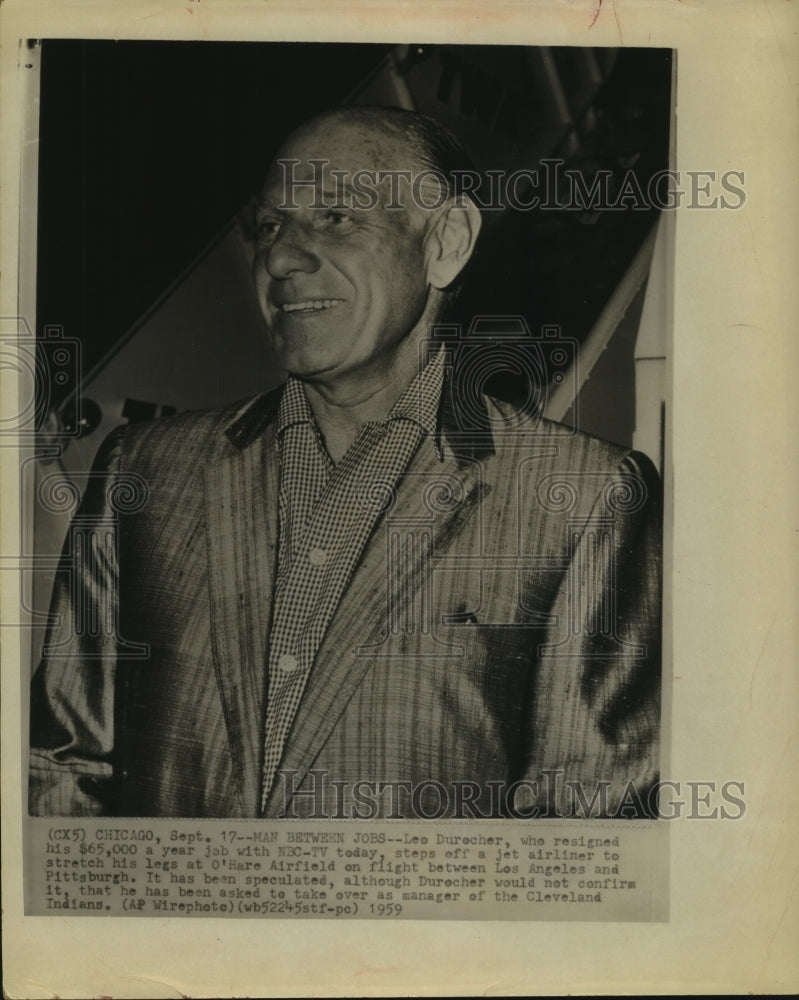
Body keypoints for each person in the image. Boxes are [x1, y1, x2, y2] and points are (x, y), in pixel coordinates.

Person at [29, 106, 661, 820]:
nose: (279, 259)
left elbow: (583, 826)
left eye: (335, 217)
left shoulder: (581, 497)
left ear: (446, 242)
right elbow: (61, 770)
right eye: (269, 226)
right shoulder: (144, 469)